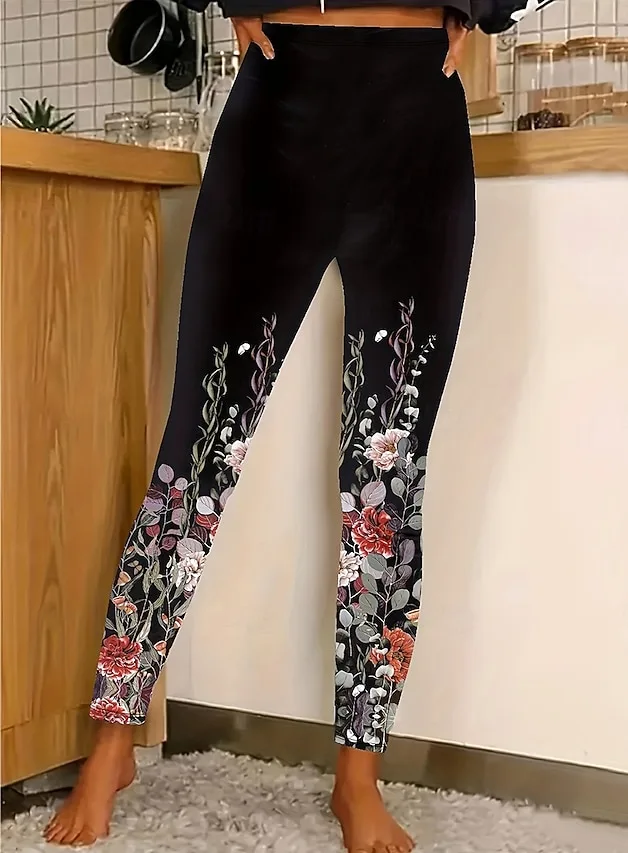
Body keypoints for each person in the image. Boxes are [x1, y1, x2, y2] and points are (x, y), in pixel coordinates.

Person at [45, 0, 550, 848]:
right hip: (279, 105)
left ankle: (359, 773)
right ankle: (113, 737)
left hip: (417, 114)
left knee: (387, 474)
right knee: (197, 450)